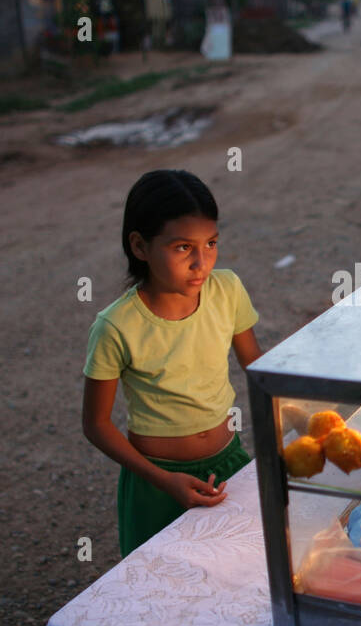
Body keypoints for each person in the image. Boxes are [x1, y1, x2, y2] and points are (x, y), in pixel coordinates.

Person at [82, 170, 263, 557]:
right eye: (183, 247)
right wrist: (163, 480)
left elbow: (256, 367)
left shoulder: (227, 290)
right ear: (140, 246)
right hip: (156, 481)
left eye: (211, 243)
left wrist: (298, 414)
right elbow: (95, 424)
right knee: (162, 578)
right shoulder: (116, 326)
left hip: (228, 463)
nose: (202, 262)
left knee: (240, 569)